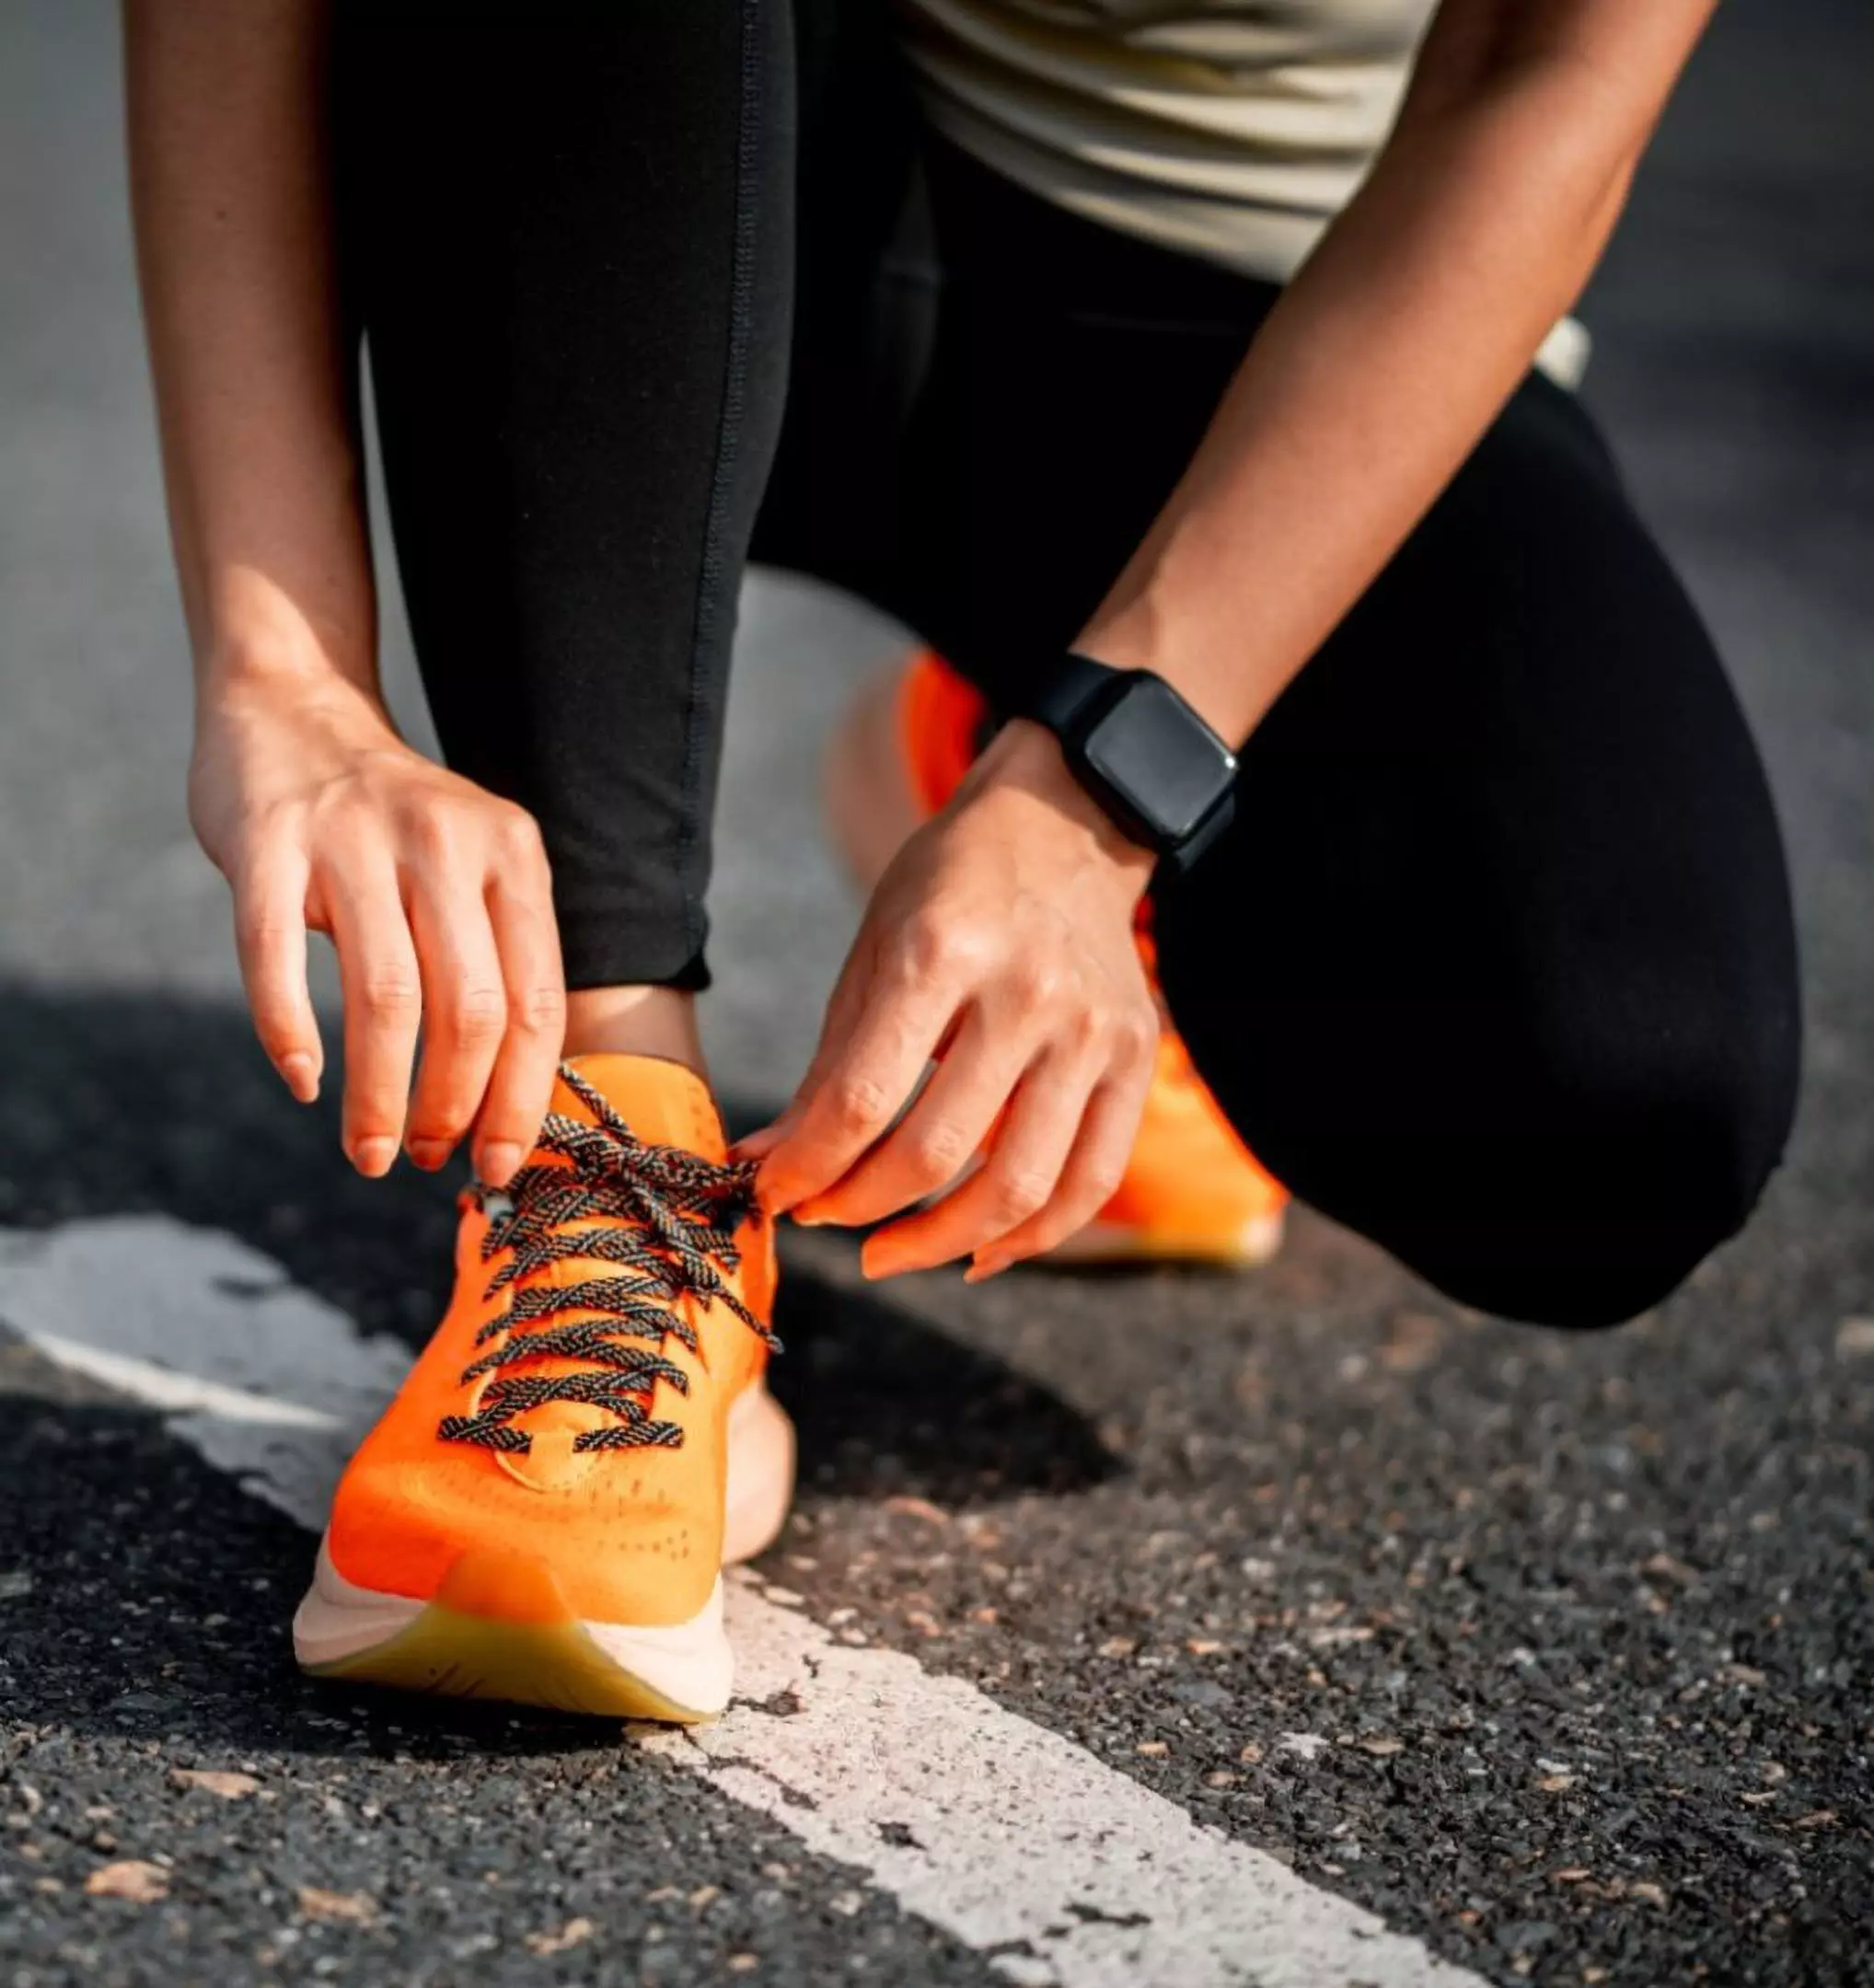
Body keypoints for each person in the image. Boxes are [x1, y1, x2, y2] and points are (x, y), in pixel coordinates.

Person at [126, 0, 1800, 1721]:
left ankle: (991, 759)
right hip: (649, 176)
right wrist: (289, 680)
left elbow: (1549, 82)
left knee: (1613, 1093)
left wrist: (1096, 796)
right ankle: (620, 1163)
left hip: (1257, 319)